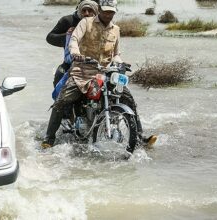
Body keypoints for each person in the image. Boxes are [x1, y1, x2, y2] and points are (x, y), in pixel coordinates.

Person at [42, 0, 155, 148]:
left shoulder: (116, 29)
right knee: (62, 100)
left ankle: (140, 138)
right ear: (100, 10)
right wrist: (75, 53)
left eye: (111, 12)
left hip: (105, 72)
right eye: (106, 11)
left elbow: (116, 54)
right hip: (82, 72)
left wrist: (120, 62)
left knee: (129, 99)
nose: (108, 15)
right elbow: (74, 40)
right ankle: (49, 140)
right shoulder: (85, 23)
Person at [46, 0, 99, 87]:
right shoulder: (68, 21)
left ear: (96, 10)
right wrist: (67, 35)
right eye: (84, 10)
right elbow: (50, 38)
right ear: (79, 8)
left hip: (96, 63)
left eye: (90, 10)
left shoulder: (101, 23)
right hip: (71, 62)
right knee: (59, 75)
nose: (86, 13)